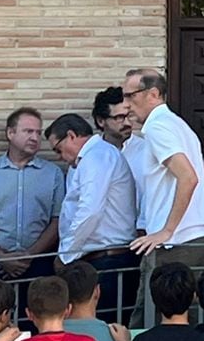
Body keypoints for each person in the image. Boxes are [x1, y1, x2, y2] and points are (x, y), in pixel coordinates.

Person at [123, 69, 204, 304]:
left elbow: (189, 178)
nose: (126, 105)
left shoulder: (158, 127)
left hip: (173, 246)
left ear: (153, 94)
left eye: (130, 96)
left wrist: (166, 230)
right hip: (197, 238)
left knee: (149, 325)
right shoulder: (180, 125)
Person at [49, 112, 140, 325]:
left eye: (58, 148)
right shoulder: (89, 160)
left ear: (71, 136)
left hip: (107, 260)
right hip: (98, 258)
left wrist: (65, 254)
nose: (58, 156)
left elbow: (90, 210)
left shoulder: (97, 157)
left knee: (103, 328)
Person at [0, 107, 64, 283]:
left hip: (39, 263)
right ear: (10, 133)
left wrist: (30, 255)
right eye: (28, 131)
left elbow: (57, 220)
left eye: (38, 133)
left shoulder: (53, 174)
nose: (35, 138)